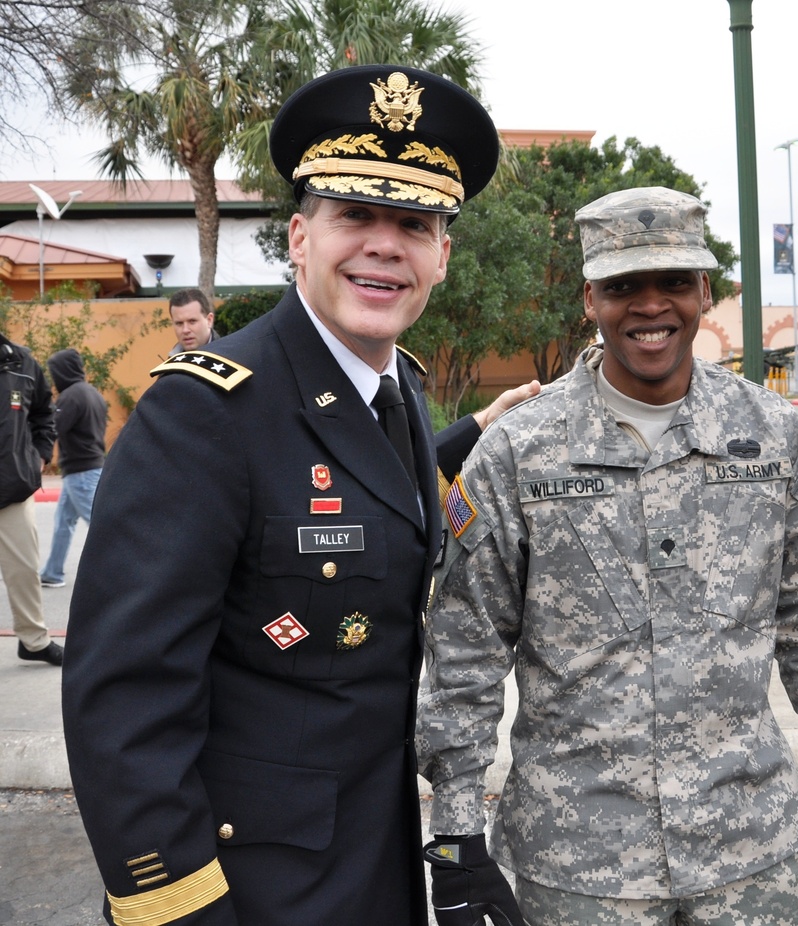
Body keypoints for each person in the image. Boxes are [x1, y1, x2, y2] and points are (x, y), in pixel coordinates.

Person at [62, 64, 538, 926]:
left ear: (443, 254)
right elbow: (125, 698)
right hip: (249, 892)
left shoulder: (397, 391)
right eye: (354, 215)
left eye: (415, 223)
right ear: (298, 238)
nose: (384, 244)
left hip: (369, 863)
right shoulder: (205, 411)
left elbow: (364, 506)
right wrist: (175, 905)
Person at [418, 187, 798, 926]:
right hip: (579, 865)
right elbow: (465, 653)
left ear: (705, 290)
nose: (650, 307)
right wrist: (454, 834)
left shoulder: (769, 434)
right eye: (622, 287)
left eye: (673, 282)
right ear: (590, 298)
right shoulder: (519, 450)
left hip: (749, 855)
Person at [0, 332, 62, 666]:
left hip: (12, 487)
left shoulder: (23, 362)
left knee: (23, 570)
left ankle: (34, 641)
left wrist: (39, 455)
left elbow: (43, 412)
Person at [38, 348, 107, 588]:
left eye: (54, 372)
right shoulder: (92, 393)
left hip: (81, 472)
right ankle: (52, 572)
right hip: (88, 468)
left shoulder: (71, 397)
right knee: (63, 524)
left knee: (101, 525)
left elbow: (54, 428)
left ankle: (128, 573)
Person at [167, 287, 219, 355]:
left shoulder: (229, 359)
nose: (185, 330)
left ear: (209, 320)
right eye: (179, 323)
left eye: (192, 321)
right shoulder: (172, 361)